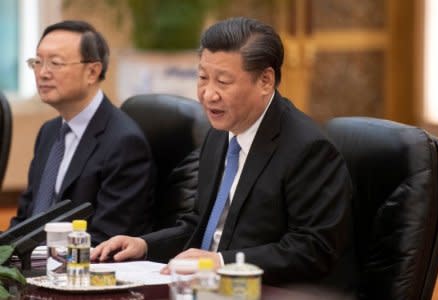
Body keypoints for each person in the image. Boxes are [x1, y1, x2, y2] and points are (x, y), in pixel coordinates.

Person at [92, 17, 354, 288]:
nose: (208, 95)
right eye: (203, 78)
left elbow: (312, 249)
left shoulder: (307, 149)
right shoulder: (219, 133)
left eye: (223, 82)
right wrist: (144, 244)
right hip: (204, 287)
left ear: (265, 80)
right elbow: (200, 224)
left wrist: (219, 263)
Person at [10, 20, 156, 246]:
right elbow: (26, 220)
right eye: (37, 62)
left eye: (55, 63)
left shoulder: (124, 142)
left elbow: (107, 238)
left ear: (92, 71)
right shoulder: (49, 132)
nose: (42, 73)